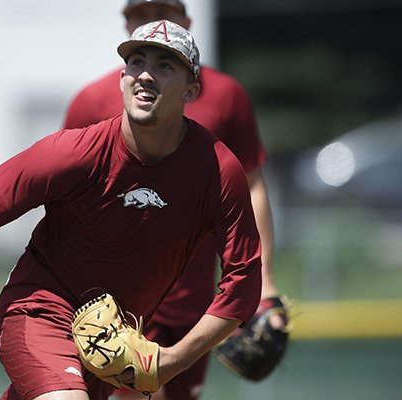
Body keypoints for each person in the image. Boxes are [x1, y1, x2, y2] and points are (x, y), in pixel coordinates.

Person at [0, 20, 262, 400]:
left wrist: (173, 360)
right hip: (39, 310)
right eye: (136, 62)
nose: (144, 74)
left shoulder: (216, 170)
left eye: (164, 65)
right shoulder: (75, 153)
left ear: (192, 91)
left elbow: (243, 280)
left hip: (108, 345)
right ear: (122, 79)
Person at [62, 1, 284, 399]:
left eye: (165, 13)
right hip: (109, 299)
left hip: (190, 299)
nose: (155, 24)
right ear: (125, 25)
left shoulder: (226, 95)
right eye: (141, 15)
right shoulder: (92, 101)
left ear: (187, 22)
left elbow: (250, 185)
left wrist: (263, 284)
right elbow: (63, 200)